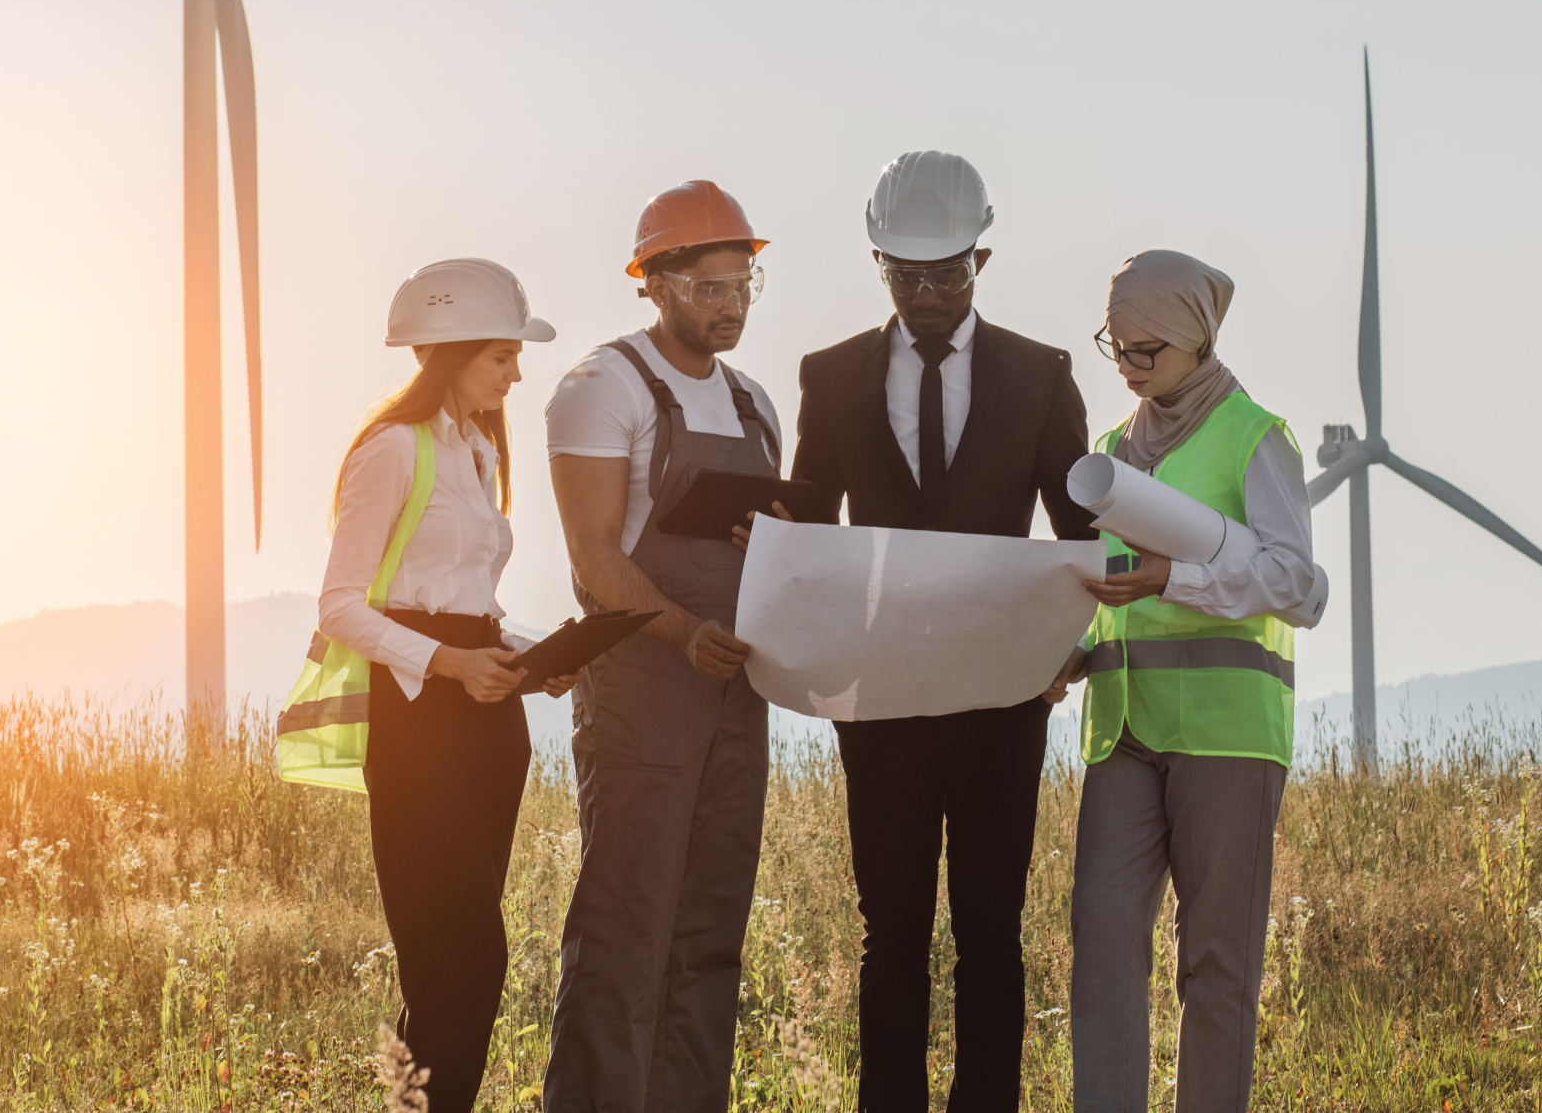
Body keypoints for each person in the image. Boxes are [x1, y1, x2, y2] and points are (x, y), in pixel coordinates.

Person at [787, 151, 1097, 1113]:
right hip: (878, 704)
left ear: (983, 258)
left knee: (991, 934)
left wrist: (1067, 651)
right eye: (903, 273)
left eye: (944, 273)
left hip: (1004, 699)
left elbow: (1080, 532)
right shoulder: (829, 376)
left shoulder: (1045, 378)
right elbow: (806, 525)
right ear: (875, 260)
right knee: (892, 936)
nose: (924, 292)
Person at [1048, 250, 1330, 1113]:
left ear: (1198, 341)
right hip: (1123, 728)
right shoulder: (1109, 452)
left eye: (1147, 351)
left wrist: (1180, 577)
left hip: (1227, 735)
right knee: (1100, 939)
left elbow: (1301, 585)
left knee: (1215, 961)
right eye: (1117, 346)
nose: (1130, 367)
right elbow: (1109, 586)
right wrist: (1062, 644)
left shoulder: (1256, 437)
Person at [306, 258, 577, 1113]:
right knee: (454, 957)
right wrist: (451, 663)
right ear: (451, 353)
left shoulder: (478, 450)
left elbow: (474, 610)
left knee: (466, 962)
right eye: (502, 355)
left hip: (490, 729)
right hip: (421, 726)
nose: (516, 373)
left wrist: (537, 660)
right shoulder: (392, 450)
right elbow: (342, 605)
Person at [543, 181, 784, 1113]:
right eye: (708, 289)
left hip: (736, 693)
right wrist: (684, 634)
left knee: (712, 929)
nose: (729, 306)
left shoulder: (758, 403)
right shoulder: (601, 387)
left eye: (743, 285)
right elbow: (595, 556)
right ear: (653, 282)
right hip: (644, 687)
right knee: (625, 930)